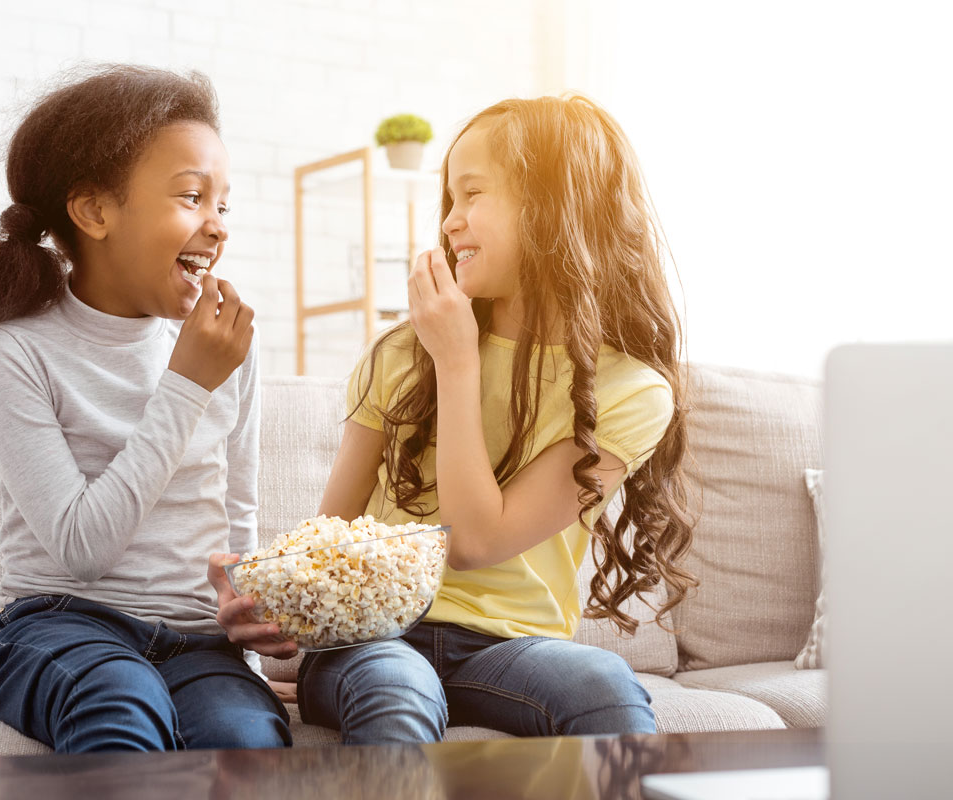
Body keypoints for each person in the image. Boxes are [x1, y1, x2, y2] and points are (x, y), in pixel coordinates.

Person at [224, 94, 698, 743]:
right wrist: (276, 606)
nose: (450, 222)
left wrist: (456, 361)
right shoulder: (398, 353)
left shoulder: (631, 391)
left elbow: (475, 542)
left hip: (511, 649)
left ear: (556, 209)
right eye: (448, 200)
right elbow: (328, 534)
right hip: (374, 638)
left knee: (605, 685)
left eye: (471, 195)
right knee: (397, 688)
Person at [0, 65, 292, 753]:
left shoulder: (231, 344)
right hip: (57, 624)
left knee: (247, 743)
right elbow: (82, 548)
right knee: (120, 700)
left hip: (197, 643)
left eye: (224, 204)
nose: (217, 227)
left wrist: (247, 607)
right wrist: (186, 384)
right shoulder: (11, 351)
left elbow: (235, 511)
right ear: (94, 212)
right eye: (191, 196)